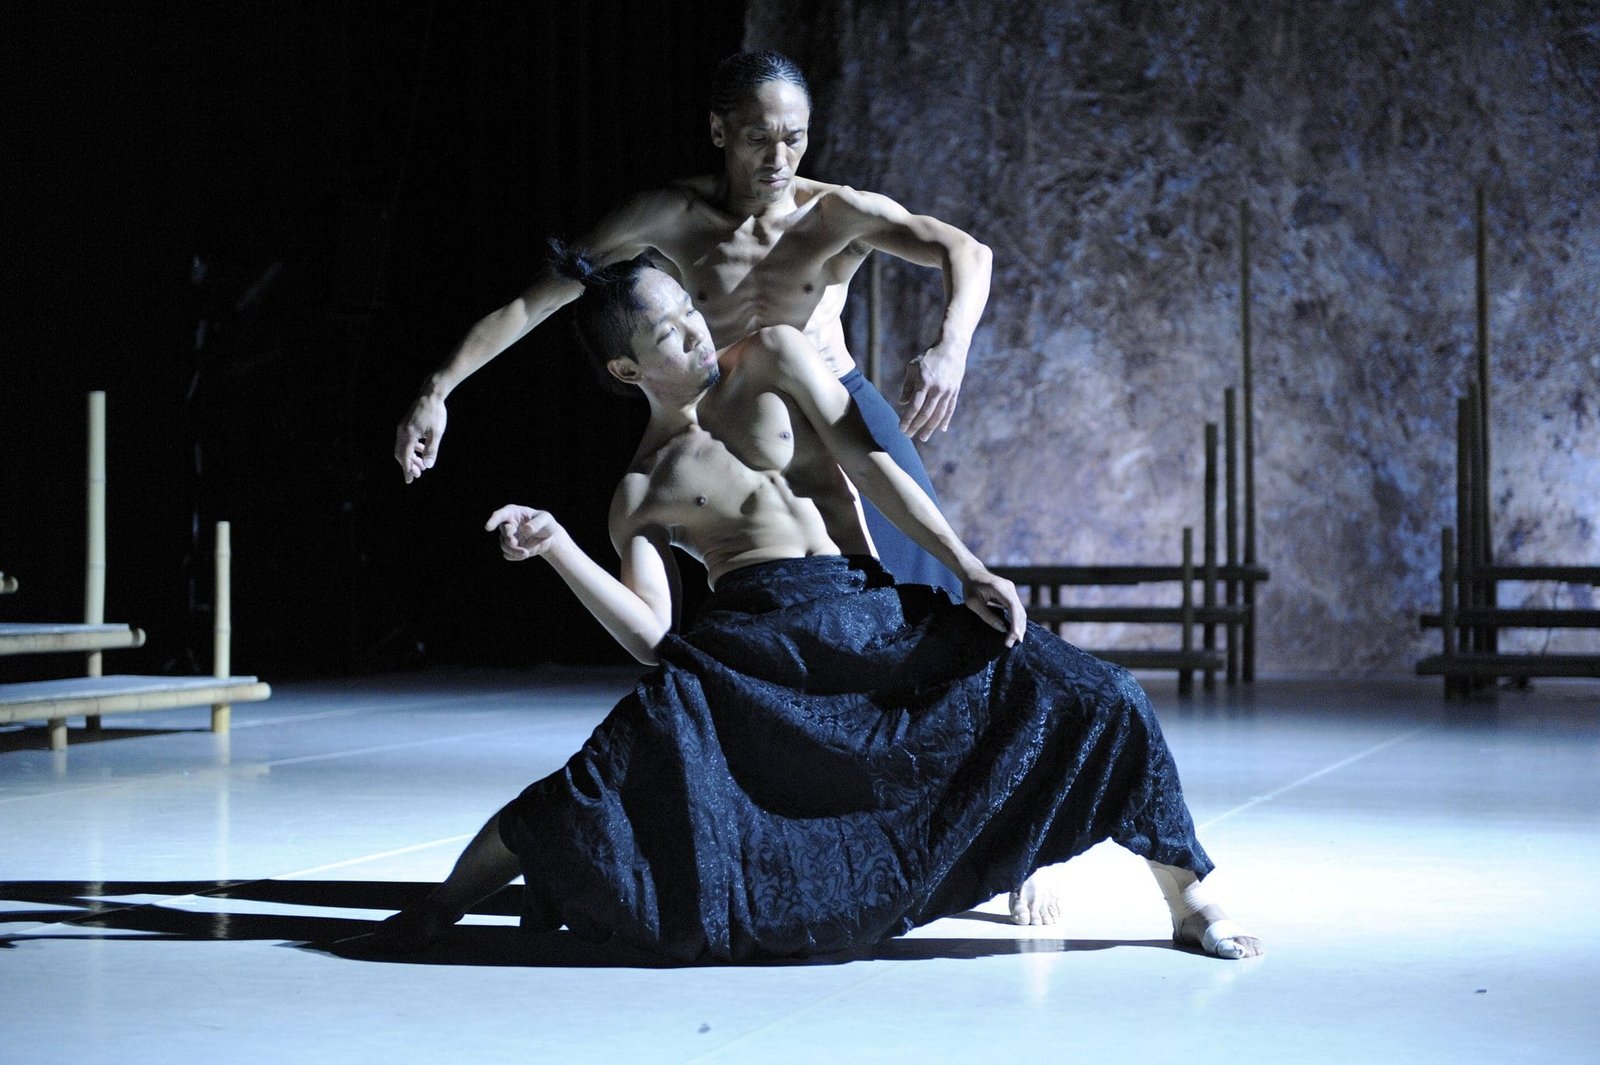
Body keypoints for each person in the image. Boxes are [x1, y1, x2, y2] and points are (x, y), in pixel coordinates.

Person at [362, 250, 1262, 964]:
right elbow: (651, 637)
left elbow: (872, 461)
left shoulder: (776, 358)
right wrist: (557, 545)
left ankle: (1188, 901)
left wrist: (964, 563)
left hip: (865, 613)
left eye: (692, 313)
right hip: (756, 654)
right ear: (627, 366)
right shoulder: (641, 485)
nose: (698, 337)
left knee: (1099, 693)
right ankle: (438, 908)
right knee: (600, 779)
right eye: (670, 337)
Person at [393, 49, 992, 596]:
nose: (778, 160)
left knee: (938, 597)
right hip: (739, 423)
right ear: (718, 131)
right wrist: (437, 389)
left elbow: (967, 252)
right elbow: (535, 302)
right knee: (799, 606)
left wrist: (951, 346)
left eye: (794, 139)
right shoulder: (671, 216)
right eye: (758, 138)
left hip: (838, 407)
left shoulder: (834, 214)